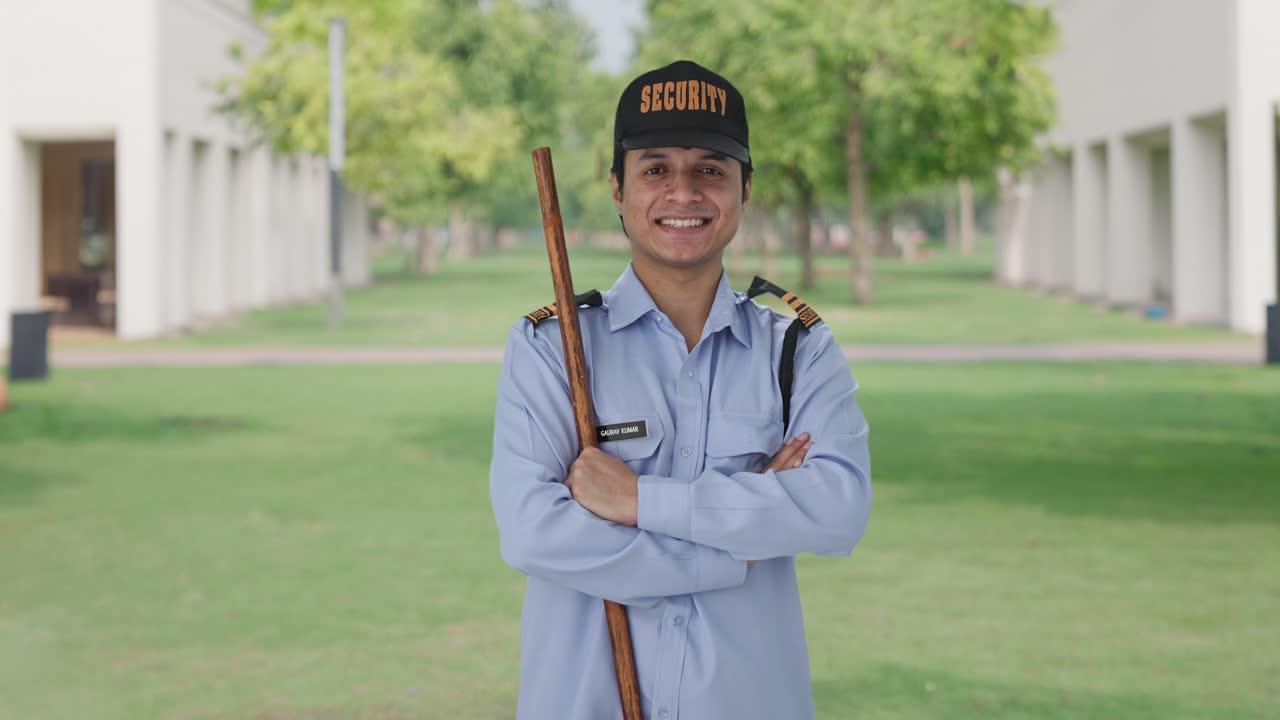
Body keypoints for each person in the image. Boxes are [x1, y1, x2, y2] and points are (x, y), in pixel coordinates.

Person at [488, 60, 872, 720]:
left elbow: (837, 511)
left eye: (711, 170)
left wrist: (637, 499)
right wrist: (740, 546)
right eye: (656, 169)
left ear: (745, 189)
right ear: (617, 188)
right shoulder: (551, 349)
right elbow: (534, 534)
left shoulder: (797, 349)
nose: (683, 192)